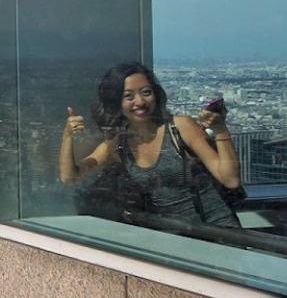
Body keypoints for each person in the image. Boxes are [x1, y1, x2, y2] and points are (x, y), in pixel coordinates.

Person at [58, 62, 242, 228]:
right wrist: (68, 136)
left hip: (218, 231)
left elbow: (230, 179)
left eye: (146, 92)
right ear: (116, 102)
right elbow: (70, 176)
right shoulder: (118, 144)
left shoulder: (179, 127)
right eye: (128, 96)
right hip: (178, 238)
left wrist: (220, 130)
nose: (140, 102)